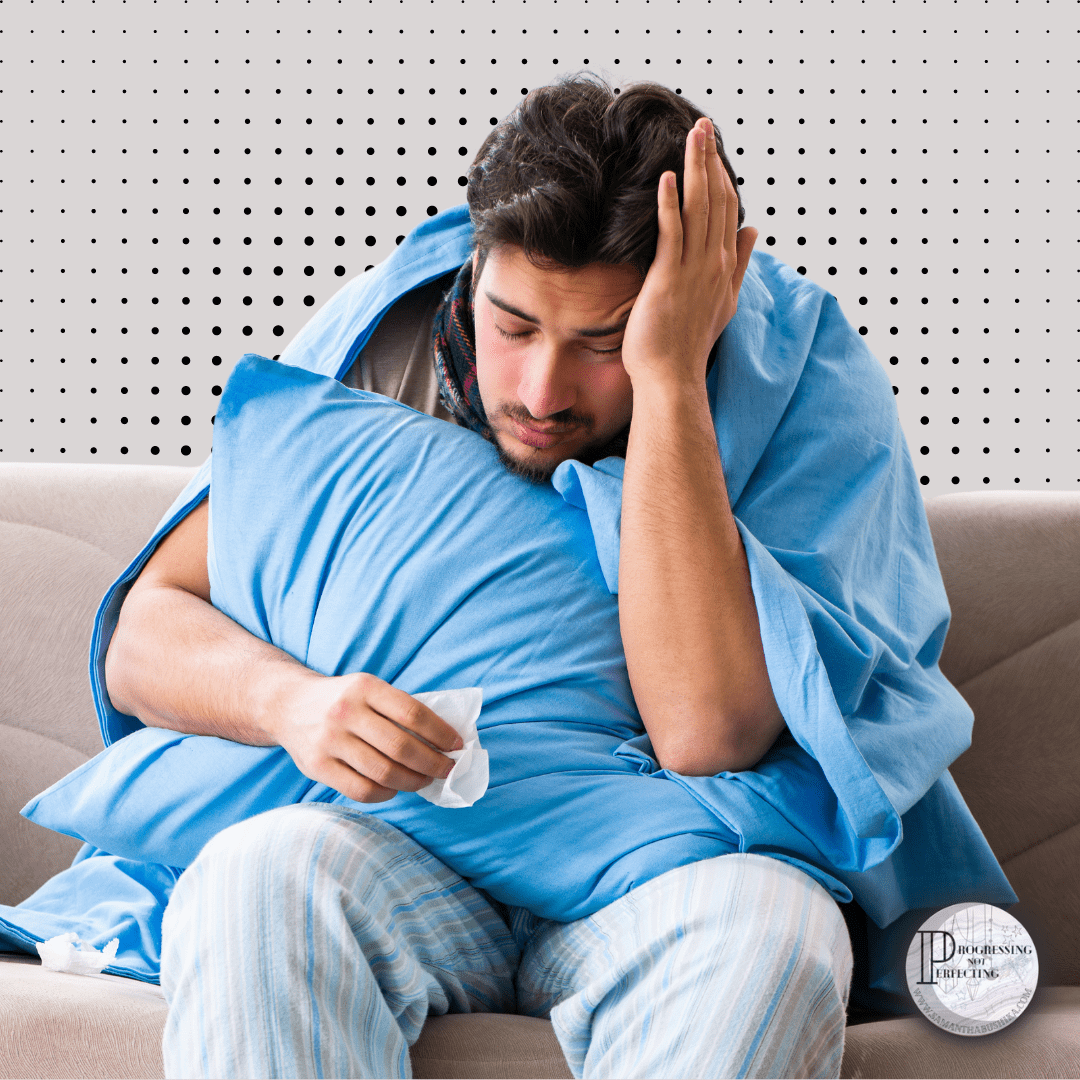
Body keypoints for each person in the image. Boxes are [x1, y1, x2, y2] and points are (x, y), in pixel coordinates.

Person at [97, 73, 953, 1079]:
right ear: (476, 265)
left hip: (675, 868)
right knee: (254, 877)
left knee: (775, 936)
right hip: (403, 851)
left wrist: (670, 378)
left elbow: (706, 733)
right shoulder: (396, 336)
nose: (542, 391)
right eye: (512, 326)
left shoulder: (802, 376)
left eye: (605, 344)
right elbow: (148, 628)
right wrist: (293, 705)